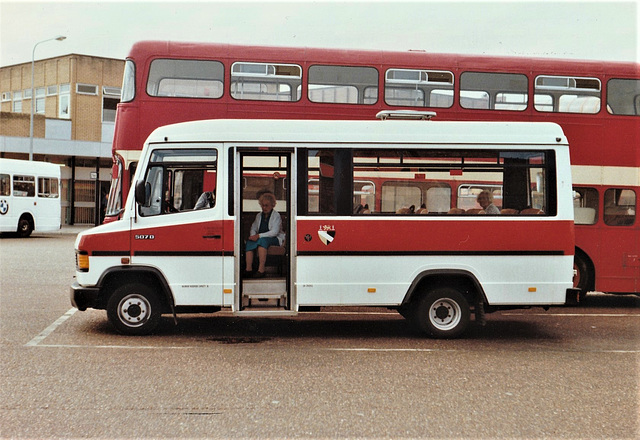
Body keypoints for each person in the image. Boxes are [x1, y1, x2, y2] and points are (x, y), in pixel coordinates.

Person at [245, 192, 285, 278]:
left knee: (262, 241)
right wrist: (253, 236)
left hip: (274, 239)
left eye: (266, 205)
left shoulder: (276, 215)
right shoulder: (259, 216)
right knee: (249, 242)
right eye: (262, 205)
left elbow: (274, 232)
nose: (264, 208)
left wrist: (258, 236)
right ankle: (248, 269)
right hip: (260, 238)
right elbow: (253, 227)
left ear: (272, 205)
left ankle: (261, 270)